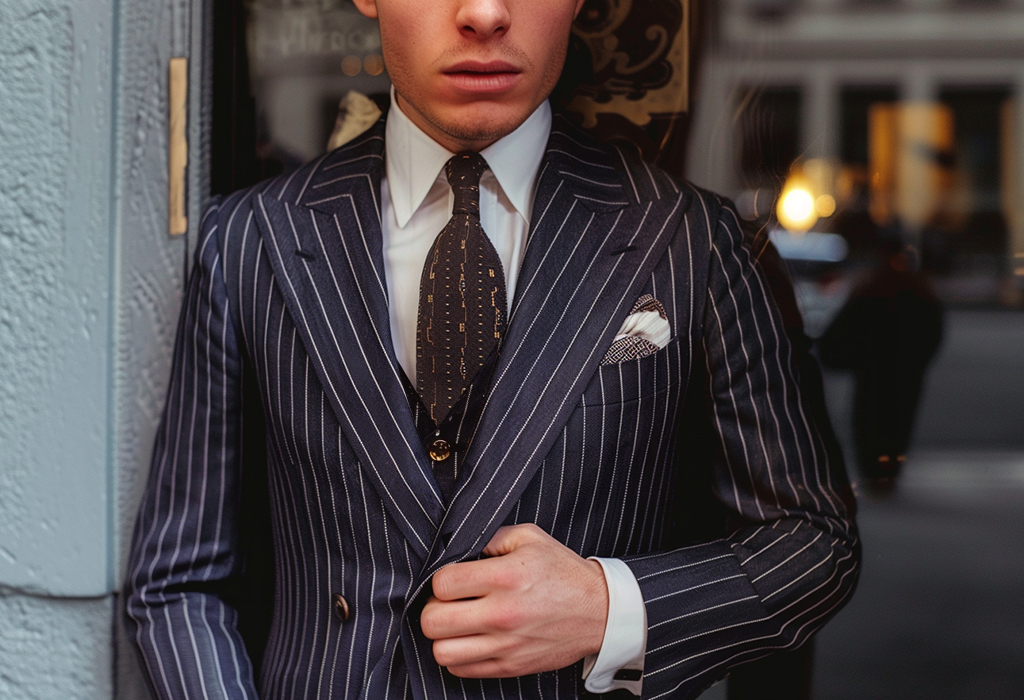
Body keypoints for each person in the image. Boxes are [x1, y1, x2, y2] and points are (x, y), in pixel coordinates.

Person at [125, 0, 860, 698]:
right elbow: (180, 580)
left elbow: (811, 545)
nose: (483, 12)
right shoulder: (250, 239)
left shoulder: (690, 238)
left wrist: (608, 608)